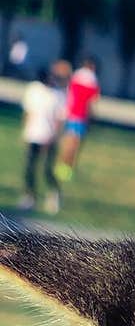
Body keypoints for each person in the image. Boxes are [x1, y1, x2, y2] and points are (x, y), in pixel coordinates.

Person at [18, 66, 67, 215]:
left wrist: (54, 137)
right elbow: (28, 111)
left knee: (47, 169)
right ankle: (29, 196)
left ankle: (54, 194)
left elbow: (59, 118)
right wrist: (25, 131)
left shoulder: (58, 94)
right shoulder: (33, 89)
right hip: (33, 134)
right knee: (30, 167)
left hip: (49, 136)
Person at [56, 57, 100, 181]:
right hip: (80, 115)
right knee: (75, 144)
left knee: (66, 141)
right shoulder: (92, 79)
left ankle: (60, 166)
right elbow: (92, 101)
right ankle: (67, 169)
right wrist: (92, 118)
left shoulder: (75, 75)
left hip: (69, 113)